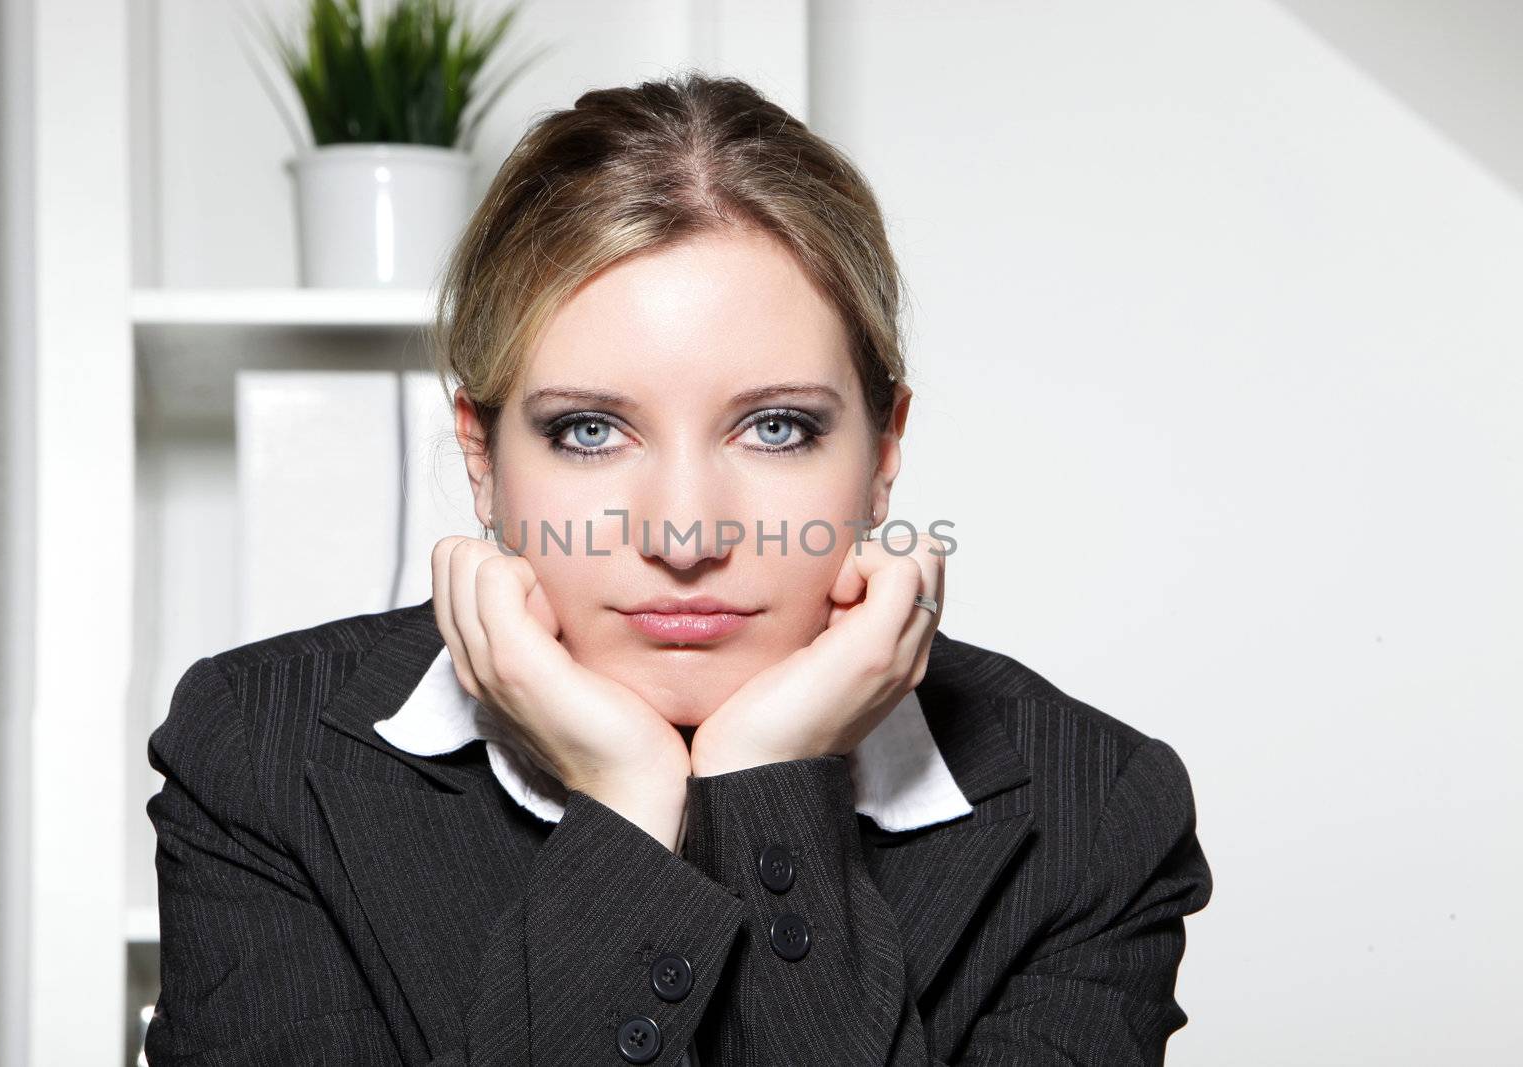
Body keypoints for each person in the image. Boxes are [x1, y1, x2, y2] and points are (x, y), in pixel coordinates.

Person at [145, 71, 1212, 1066]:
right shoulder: (261, 750)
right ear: (481, 455)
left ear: (882, 457)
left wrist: (768, 782)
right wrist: (623, 798)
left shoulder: (1095, 809)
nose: (687, 532)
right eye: (591, 431)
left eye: (779, 427)